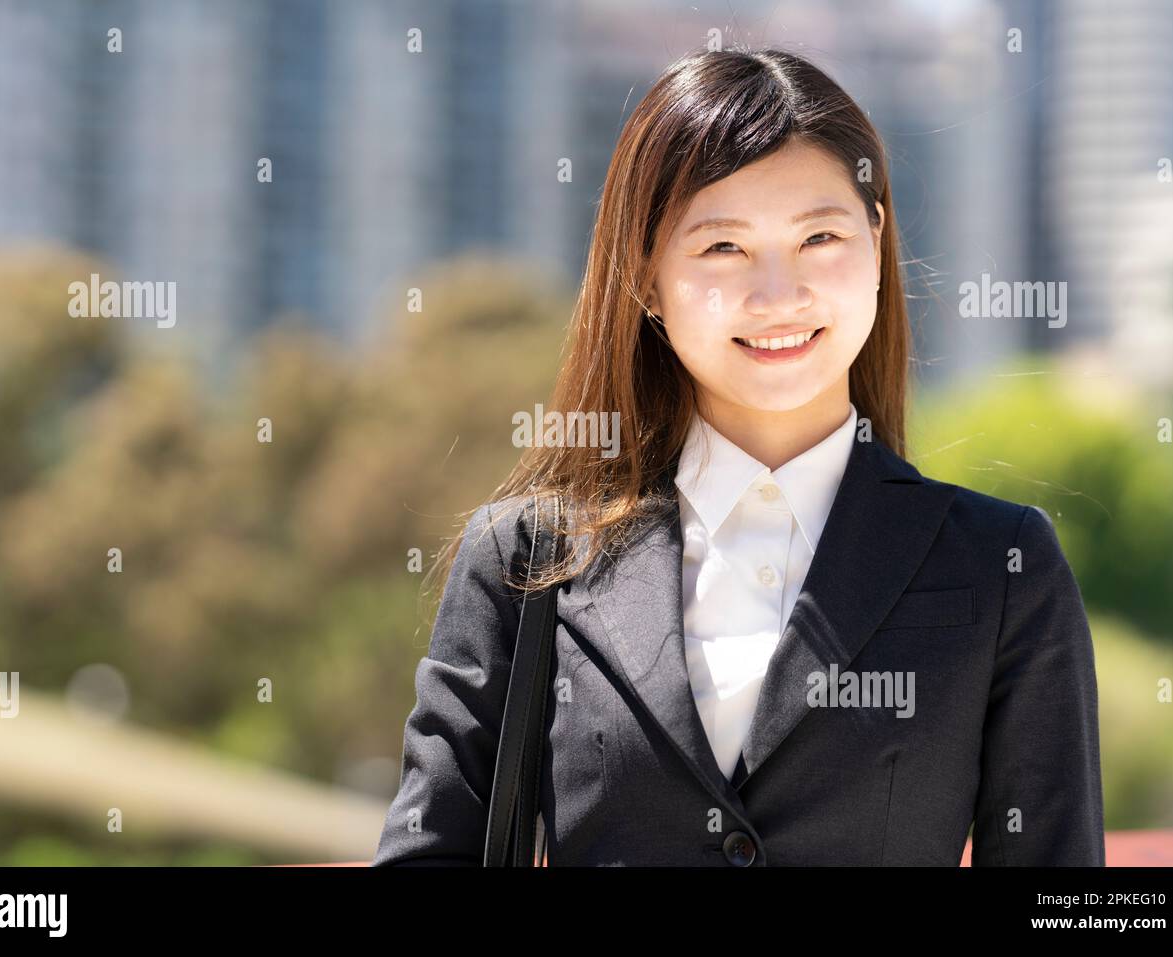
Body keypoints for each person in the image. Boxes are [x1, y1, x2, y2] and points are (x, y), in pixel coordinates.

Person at [372, 47, 1105, 867]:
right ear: (645, 277)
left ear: (876, 240)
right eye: (722, 248)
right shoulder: (526, 557)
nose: (778, 294)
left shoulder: (1001, 567)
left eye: (819, 236)